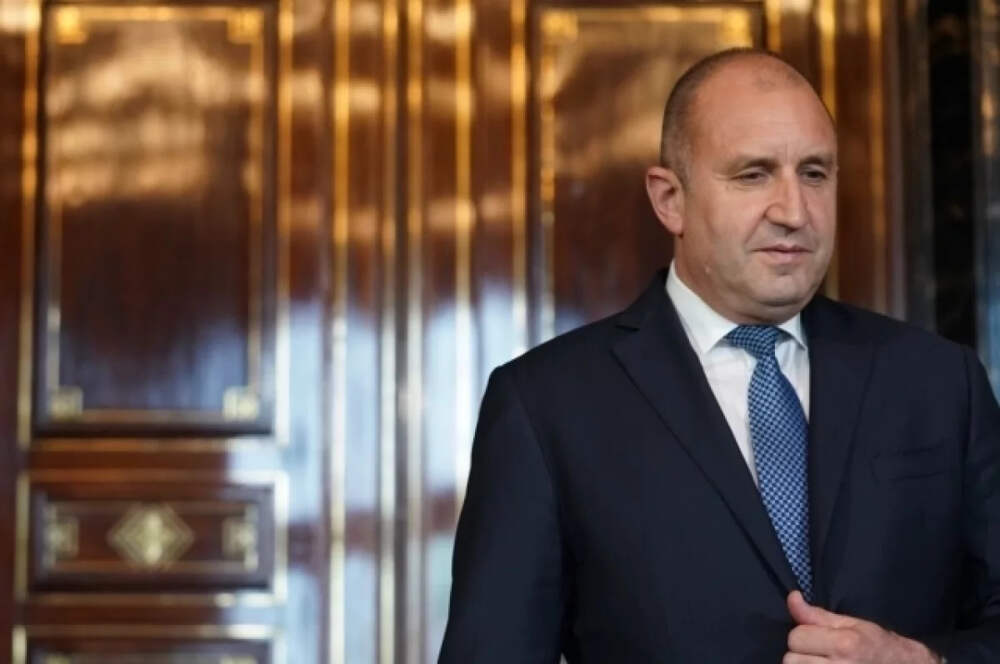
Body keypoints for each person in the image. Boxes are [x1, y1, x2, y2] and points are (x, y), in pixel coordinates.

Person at [438, 48, 1000, 663]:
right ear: (669, 199)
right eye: (753, 174)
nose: (794, 212)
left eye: (814, 173)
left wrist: (923, 661)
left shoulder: (940, 382)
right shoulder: (546, 407)